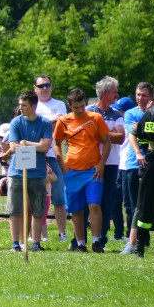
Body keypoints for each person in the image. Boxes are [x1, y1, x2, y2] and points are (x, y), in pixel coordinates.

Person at [53, 88, 111, 253]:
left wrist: (101, 164)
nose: (79, 110)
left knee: (94, 205)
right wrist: (62, 164)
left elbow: (106, 142)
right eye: (76, 107)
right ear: (69, 105)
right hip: (71, 172)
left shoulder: (95, 118)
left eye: (82, 106)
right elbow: (56, 144)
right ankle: (80, 244)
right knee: (76, 209)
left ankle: (97, 242)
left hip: (93, 171)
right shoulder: (63, 121)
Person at [5, 90, 53, 252]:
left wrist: (25, 143)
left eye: (24, 105)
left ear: (33, 106)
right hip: (17, 173)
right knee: (15, 209)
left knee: (38, 210)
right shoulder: (16, 123)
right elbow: (13, 146)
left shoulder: (45, 123)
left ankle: (35, 243)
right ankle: (15, 244)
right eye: (19, 105)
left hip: (38, 173)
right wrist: (36, 145)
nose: (20, 108)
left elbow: (46, 146)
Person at [86, 76, 125, 249]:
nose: (117, 94)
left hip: (110, 164)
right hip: (89, 162)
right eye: (115, 91)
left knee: (106, 202)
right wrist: (108, 133)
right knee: (87, 202)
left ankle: (101, 239)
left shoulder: (116, 114)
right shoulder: (87, 111)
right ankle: (81, 239)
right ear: (105, 93)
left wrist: (100, 134)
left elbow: (120, 137)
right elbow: (84, 135)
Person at [120, 82, 154, 254]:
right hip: (139, 163)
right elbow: (135, 134)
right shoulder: (135, 114)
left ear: (152, 97)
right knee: (136, 206)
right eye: (138, 95)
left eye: (144, 95)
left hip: (149, 161)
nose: (140, 98)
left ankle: (141, 241)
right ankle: (134, 243)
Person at [34, 75, 69, 241]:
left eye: (47, 85)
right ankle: (38, 235)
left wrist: (40, 122)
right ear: (35, 88)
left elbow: (61, 123)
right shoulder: (32, 104)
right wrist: (50, 120)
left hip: (54, 155)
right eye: (41, 86)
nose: (45, 88)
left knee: (59, 197)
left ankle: (62, 232)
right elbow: (34, 124)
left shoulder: (59, 104)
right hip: (35, 155)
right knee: (35, 195)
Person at [127, 97, 154, 257]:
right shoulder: (151, 113)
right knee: (145, 204)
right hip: (152, 160)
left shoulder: (150, 112)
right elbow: (136, 134)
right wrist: (139, 152)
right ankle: (140, 245)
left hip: (152, 159)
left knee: (145, 203)